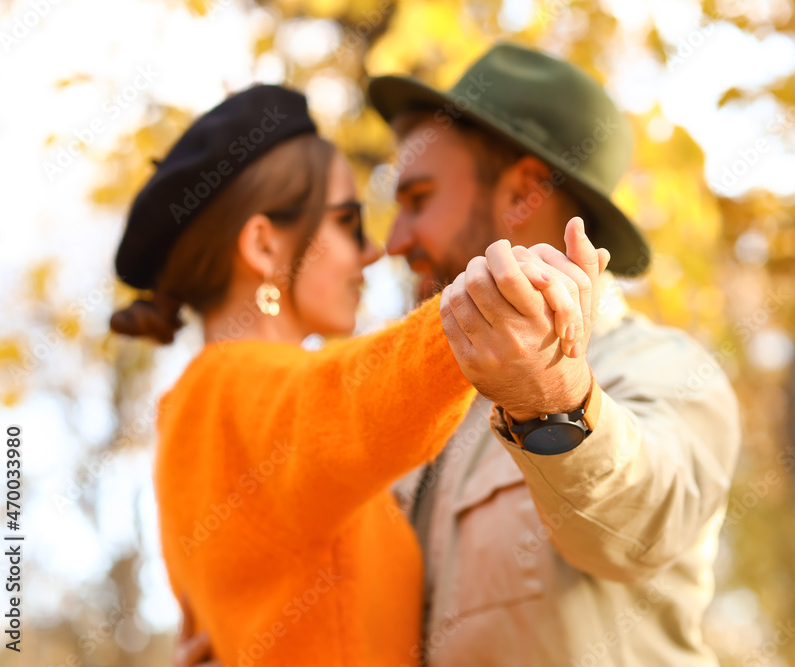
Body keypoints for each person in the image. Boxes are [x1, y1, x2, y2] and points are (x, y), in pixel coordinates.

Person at [178, 44, 741, 667]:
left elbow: (642, 527)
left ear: (526, 193)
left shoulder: (663, 369)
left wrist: (554, 401)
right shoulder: (426, 415)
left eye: (417, 199)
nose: (393, 242)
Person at [109, 83, 608, 667]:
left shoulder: (191, 415)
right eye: (348, 223)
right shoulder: (237, 387)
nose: (374, 251)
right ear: (265, 245)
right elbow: (350, 400)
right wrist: (488, 306)